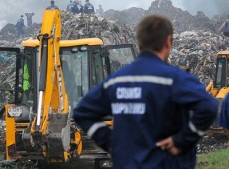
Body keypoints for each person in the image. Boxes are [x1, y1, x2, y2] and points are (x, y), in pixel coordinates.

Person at [73, 14, 218, 168]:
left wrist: (111, 143)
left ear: (140, 42)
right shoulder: (174, 79)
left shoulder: (116, 81)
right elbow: (209, 106)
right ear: (168, 41)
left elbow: (83, 112)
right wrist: (182, 140)